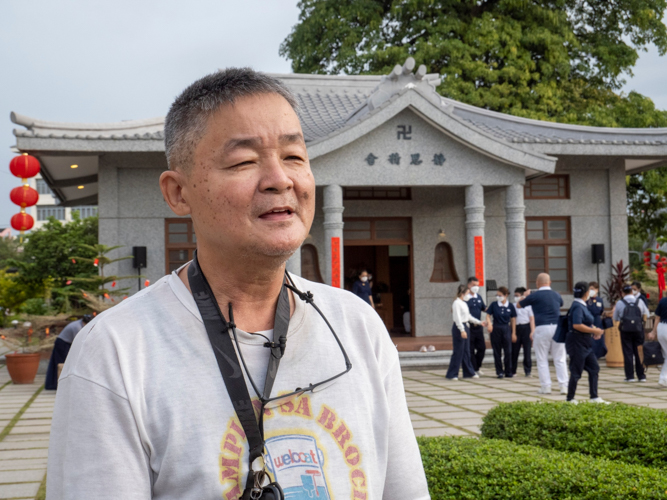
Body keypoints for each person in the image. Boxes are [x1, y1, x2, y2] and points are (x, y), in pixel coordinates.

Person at [47, 68, 430, 499]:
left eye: (294, 157)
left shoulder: (359, 326)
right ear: (178, 193)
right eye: (245, 161)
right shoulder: (115, 352)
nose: (280, 179)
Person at [518, 273, 568, 395]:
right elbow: (561, 304)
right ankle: (564, 386)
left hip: (541, 327)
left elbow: (519, 305)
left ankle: (546, 387)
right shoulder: (556, 294)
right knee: (560, 358)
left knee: (542, 358)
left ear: (537, 283)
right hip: (557, 327)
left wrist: (524, 296)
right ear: (549, 282)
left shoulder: (534, 295)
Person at [565, 282, 606, 404]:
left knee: (594, 368)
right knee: (576, 371)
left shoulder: (582, 305)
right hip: (577, 342)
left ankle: (594, 396)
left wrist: (594, 330)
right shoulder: (578, 306)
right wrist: (594, 330)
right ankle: (570, 398)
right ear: (586, 293)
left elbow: (586, 322)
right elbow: (577, 325)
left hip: (585, 342)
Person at [44, 315, 92, 391]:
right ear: (85, 322)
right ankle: (58, 384)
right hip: (62, 344)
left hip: (66, 343)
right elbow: (78, 342)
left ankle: (58, 384)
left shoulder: (79, 323)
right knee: (62, 364)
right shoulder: (77, 327)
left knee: (63, 364)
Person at [614, 283, 650, 382]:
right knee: (639, 351)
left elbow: (615, 318)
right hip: (638, 330)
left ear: (622, 293)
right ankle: (641, 376)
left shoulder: (620, 303)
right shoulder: (640, 301)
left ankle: (630, 376)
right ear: (632, 291)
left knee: (627, 352)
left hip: (625, 330)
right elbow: (647, 314)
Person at [447, 284, 482, 380]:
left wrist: (479, 322)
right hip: (459, 328)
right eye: (467, 293)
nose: (468, 295)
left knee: (466, 351)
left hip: (466, 326)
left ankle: (468, 372)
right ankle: (453, 373)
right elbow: (457, 318)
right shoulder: (456, 303)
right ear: (462, 293)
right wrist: (462, 330)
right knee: (458, 351)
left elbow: (468, 316)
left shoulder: (464, 303)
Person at [485, 287, 516, 378]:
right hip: (496, 328)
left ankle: (508, 371)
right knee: (497, 351)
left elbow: (513, 319)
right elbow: (488, 315)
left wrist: (513, 332)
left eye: (500, 295)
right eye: (497, 295)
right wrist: (490, 324)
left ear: (506, 295)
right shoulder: (494, 305)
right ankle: (499, 371)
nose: (498, 297)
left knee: (508, 351)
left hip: (506, 328)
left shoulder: (510, 306)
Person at [466, 276, 486, 376]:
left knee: (482, 348)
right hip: (469, 326)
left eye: (477, 285)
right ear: (469, 285)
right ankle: (473, 369)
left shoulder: (478, 297)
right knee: (470, 349)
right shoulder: (465, 297)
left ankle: (477, 367)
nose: (476, 287)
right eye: (474, 285)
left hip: (478, 327)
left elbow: (484, 308)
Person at [511, 287, 534, 377]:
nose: (515, 297)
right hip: (516, 328)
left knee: (527, 351)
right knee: (514, 350)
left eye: (517, 295)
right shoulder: (513, 305)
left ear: (522, 296)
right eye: (514, 295)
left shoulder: (528, 306)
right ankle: (513, 370)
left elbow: (532, 319)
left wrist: (532, 331)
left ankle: (528, 371)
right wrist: (513, 333)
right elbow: (512, 319)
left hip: (526, 328)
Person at [648, 296, 667, 388]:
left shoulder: (663, 300)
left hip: (662, 328)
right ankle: (663, 378)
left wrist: (653, 331)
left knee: (666, 355)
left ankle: (664, 378)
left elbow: (657, 318)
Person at [586, 282, 608, 359]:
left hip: (598, 320)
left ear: (597, 290)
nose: (591, 290)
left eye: (592, 289)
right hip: (589, 320)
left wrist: (608, 313)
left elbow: (602, 311)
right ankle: (590, 356)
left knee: (599, 339)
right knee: (591, 339)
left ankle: (598, 355)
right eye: (590, 289)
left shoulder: (599, 300)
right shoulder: (586, 299)